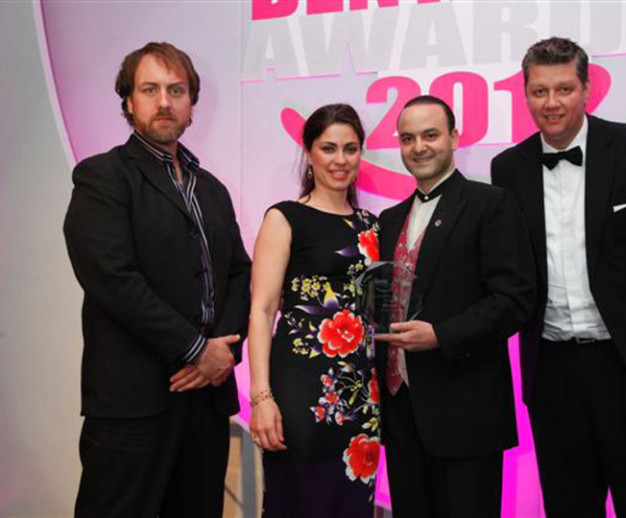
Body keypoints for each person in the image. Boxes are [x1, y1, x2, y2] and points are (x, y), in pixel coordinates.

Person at [491, 37, 626, 517]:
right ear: (525, 94)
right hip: (553, 372)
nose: (552, 102)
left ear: (587, 89)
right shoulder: (507, 169)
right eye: (540, 91)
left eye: (564, 89)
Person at [63, 42, 251, 517]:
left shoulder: (211, 189)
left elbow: (239, 272)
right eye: (150, 90)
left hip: (206, 401)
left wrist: (222, 353)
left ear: (192, 104)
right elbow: (113, 279)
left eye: (176, 90)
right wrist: (196, 349)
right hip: (134, 403)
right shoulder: (102, 177)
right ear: (128, 102)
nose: (164, 102)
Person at [375, 95, 536, 518]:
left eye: (430, 135)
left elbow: (514, 299)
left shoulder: (492, 204)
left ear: (454, 138)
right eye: (408, 138)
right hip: (401, 414)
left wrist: (441, 336)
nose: (419, 147)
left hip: (466, 413)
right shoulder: (388, 220)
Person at [248, 104, 381, 517]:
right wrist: (261, 397)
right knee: (301, 501)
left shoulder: (371, 225)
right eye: (328, 148)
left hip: (361, 396)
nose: (340, 160)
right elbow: (262, 310)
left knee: (351, 504)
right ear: (308, 152)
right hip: (301, 392)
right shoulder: (284, 218)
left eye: (350, 149)